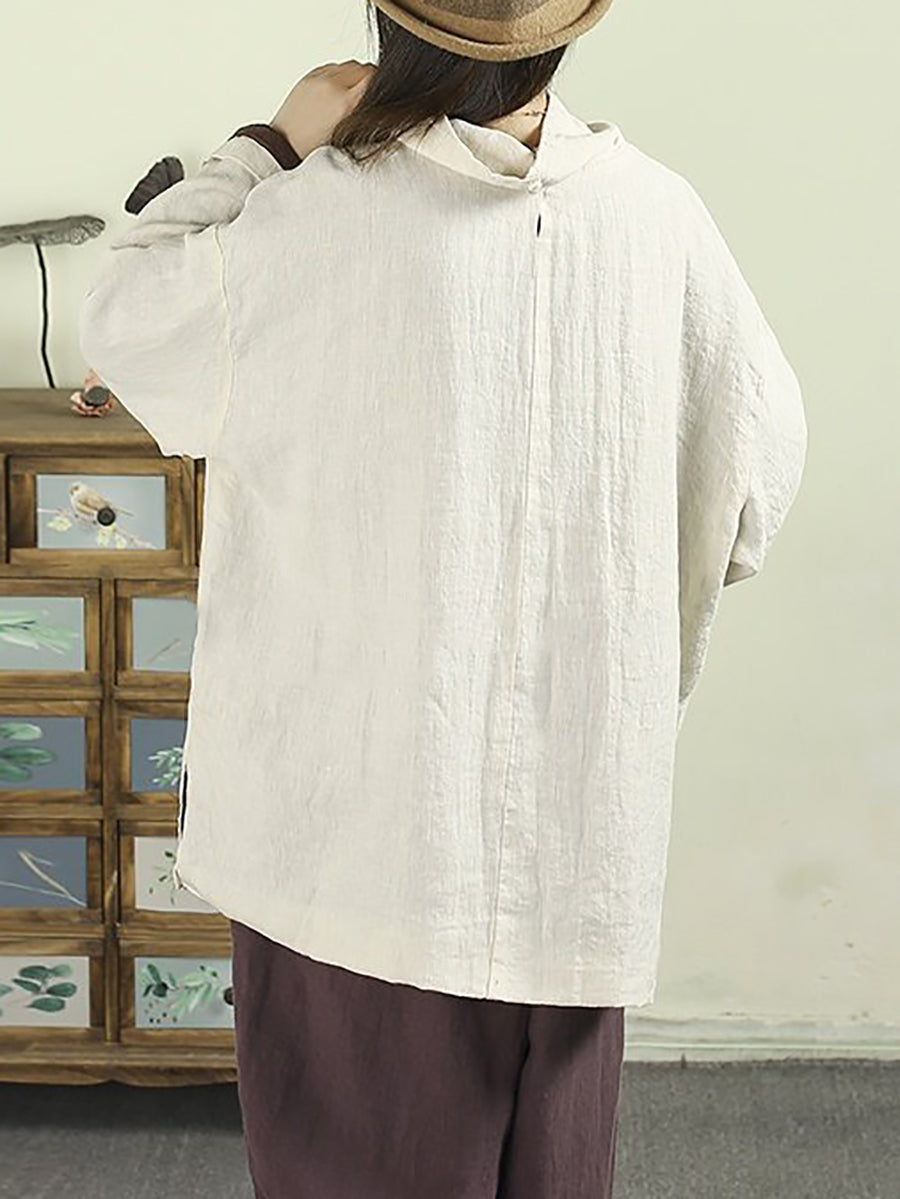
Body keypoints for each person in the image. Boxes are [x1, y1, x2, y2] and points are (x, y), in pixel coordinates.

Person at [78, 1, 808, 1195]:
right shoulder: (661, 219)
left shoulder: (314, 219)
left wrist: (271, 142)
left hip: (354, 839)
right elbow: (755, 482)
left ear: (389, 25)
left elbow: (122, 319)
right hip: (578, 843)